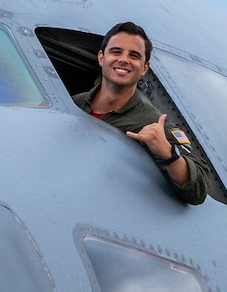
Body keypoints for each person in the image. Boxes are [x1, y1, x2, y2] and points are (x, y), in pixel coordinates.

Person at [73, 22, 208, 206]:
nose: (124, 60)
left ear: (145, 67)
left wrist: (167, 153)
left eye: (134, 56)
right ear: (101, 58)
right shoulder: (74, 104)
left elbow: (198, 189)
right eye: (116, 52)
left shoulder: (152, 123)